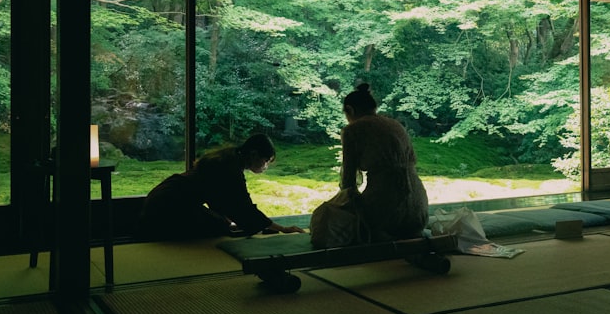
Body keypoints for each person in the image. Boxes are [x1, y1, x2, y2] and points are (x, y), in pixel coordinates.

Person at [136, 134, 304, 240]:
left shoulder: (226, 159)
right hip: (167, 208)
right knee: (219, 227)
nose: (265, 165)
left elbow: (222, 201)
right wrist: (282, 228)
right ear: (253, 154)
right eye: (266, 160)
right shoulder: (230, 168)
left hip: (160, 200)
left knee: (221, 223)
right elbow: (243, 207)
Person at [339, 83, 429, 241]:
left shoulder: (353, 130)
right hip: (418, 207)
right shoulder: (395, 125)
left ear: (350, 110)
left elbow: (348, 180)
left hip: (386, 206)